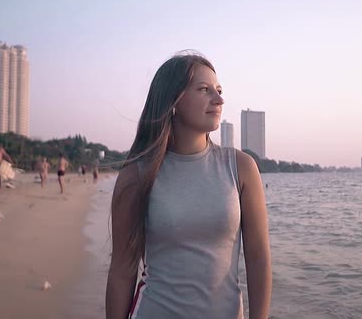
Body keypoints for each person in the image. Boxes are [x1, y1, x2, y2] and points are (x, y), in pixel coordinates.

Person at [105, 52, 272, 319]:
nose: (219, 100)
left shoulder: (241, 168)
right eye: (204, 90)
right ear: (174, 100)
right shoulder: (137, 174)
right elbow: (123, 270)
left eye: (219, 90)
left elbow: (258, 259)